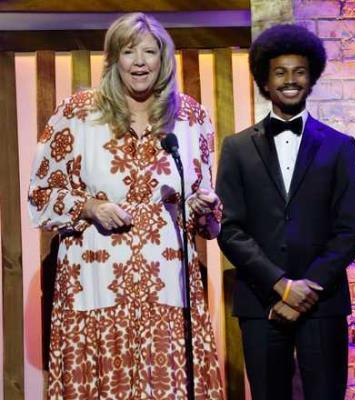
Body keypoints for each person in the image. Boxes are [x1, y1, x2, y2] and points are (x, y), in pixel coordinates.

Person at [28, 13, 223, 399]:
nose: (139, 61)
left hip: (168, 285)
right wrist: (89, 208)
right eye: (129, 51)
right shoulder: (77, 114)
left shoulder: (191, 117)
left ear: (163, 59)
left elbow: (207, 220)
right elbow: (41, 194)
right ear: (113, 58)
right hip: (95, 286)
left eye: (150, 52)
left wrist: (206, 207)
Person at [216, 24, 355, 400]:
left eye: (299, 72)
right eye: (280, 72)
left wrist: (307, 288)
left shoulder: (340, 146)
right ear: (265, 81)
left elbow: (350, 229)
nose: (290, 80)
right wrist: (281, 286)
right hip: (261, 302)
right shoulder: (236, 148)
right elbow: (230, 229)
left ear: (311, 78)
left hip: (323, 302)